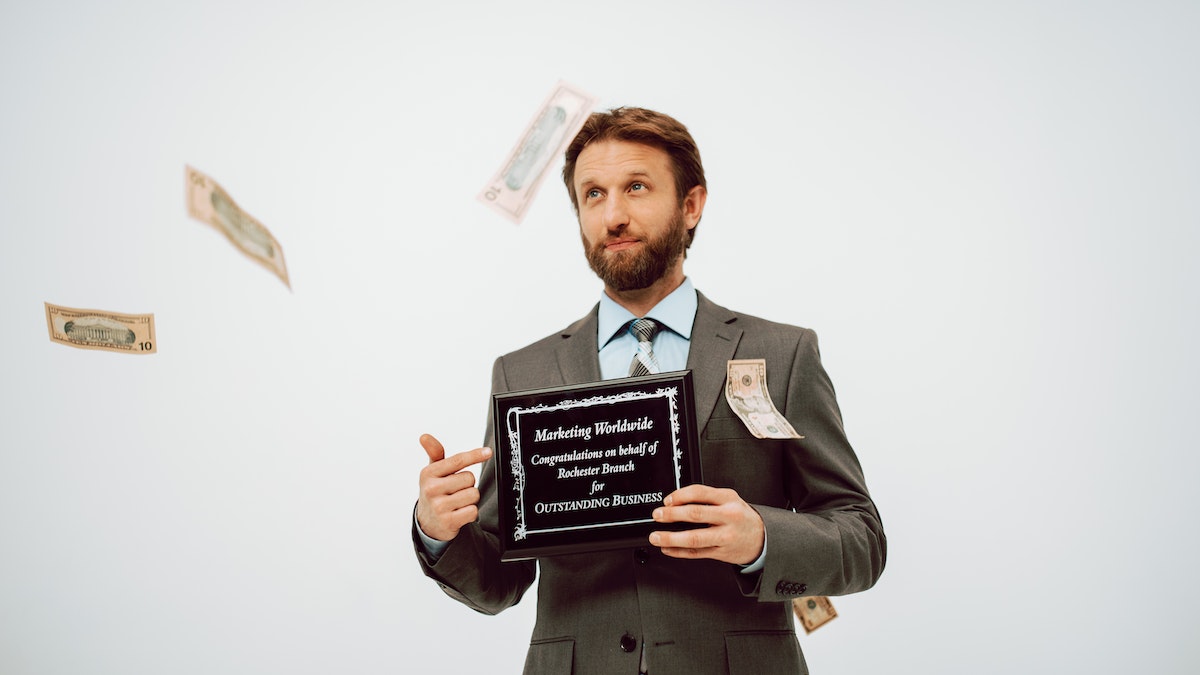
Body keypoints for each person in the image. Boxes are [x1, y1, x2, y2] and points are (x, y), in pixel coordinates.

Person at [413, 107, 886, 675]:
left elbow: (860, 536)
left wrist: (760, 536)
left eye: (636, 187)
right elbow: (500, 580)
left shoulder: (783, 354)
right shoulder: (523, 372)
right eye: (593, 194)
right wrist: (439, 531)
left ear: (691, 206)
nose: (613, 215)